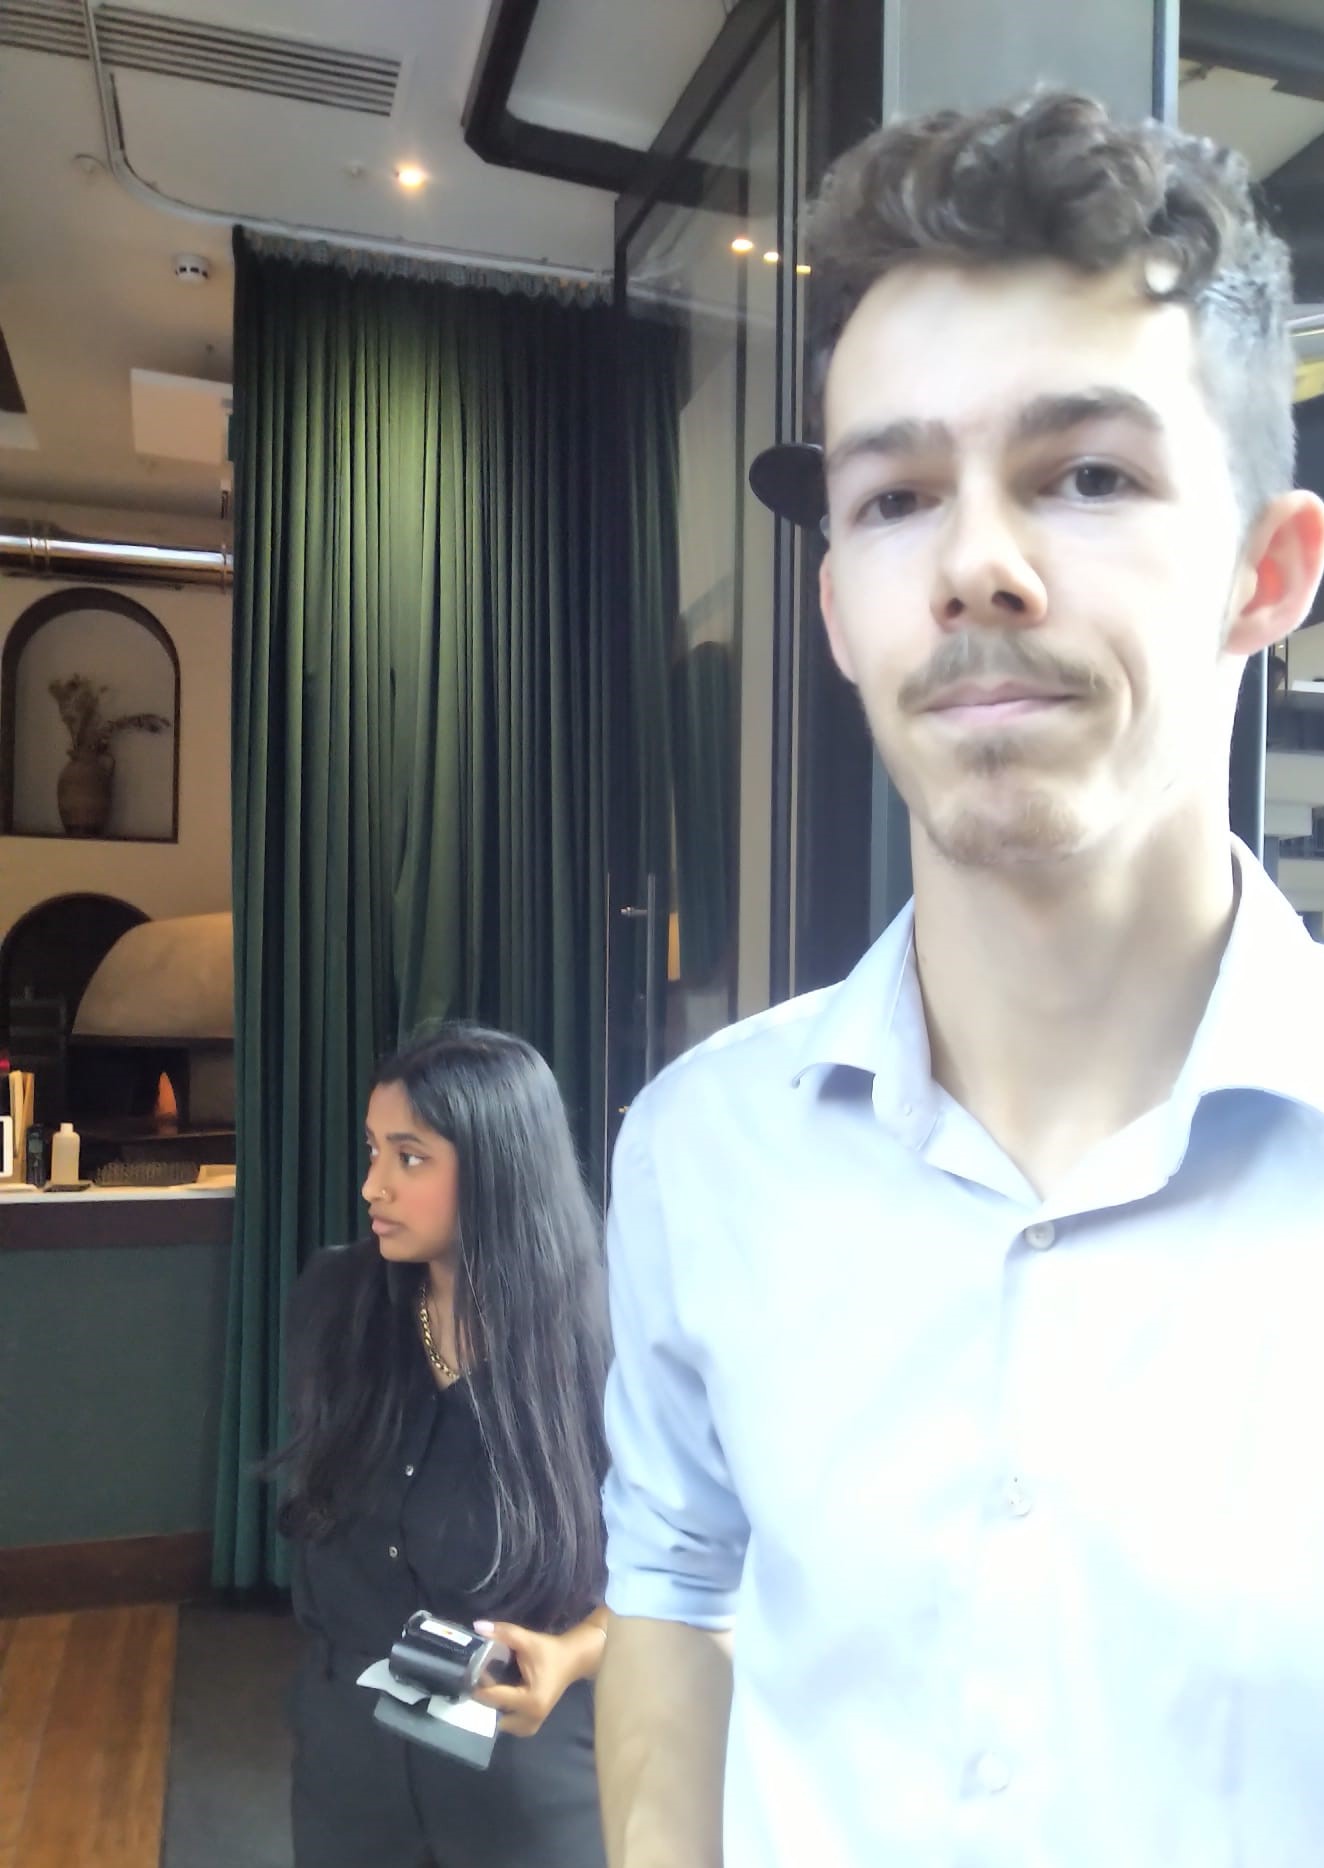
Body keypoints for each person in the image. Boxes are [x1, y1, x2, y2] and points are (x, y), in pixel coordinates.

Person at [595, 91, 1324, 1868]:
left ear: (1267, 570)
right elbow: (674, 1588)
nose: (974, 564)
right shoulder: (698, 1153)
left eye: (1087, 475)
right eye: (896, 498)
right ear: (838, 608)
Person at [277, 1023, 611, 1868]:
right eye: (373, 1150)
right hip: (350, 1757)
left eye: (410, 1157)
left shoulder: (608, 1343)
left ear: (499, 1168)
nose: (372, 1185)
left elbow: (685, 1573)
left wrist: (571, 1654)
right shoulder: (335, 1301)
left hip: (520, 1763)